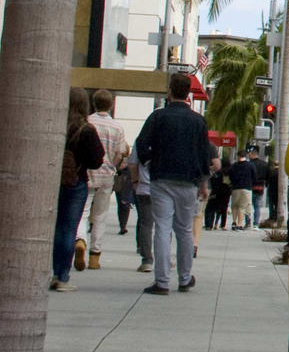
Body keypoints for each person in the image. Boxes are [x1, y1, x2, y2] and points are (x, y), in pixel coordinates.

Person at [135, 69, 213, 295]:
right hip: (188, 180)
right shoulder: (198, 121)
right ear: (188, 92)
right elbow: (203, 154)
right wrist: (203, 182)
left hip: (161, 178)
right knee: (184, 229)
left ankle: (161, 281)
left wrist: (150, 163)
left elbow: (142, 144)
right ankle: (185, 277)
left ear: (169, 91)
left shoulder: (157, 117)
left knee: (162, 227)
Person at [52, 90, 104, 293]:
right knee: (68, 228)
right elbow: (96, 159)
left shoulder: (57, 124)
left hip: (54, 181)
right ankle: (62, 276)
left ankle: (54, 271)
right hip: (76, 180)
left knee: (57, 227)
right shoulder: (85, 129)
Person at [75, 89, 129, 271]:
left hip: (87, 172)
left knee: (83, 211)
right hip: (106, 174)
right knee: (100, 216)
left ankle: (80, 239)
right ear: (111, 104)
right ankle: (94, 256)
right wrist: (113, 166)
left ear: (94, 103)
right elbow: (121, 153)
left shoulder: (87, 121)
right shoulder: (117, 127)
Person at [129, 140, 154, 273]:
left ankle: (147, 260)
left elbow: (132, 163)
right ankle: (165, 257)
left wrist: (135, 180)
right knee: (164, 225)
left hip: (144, 186)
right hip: (163, 187)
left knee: (146, 224)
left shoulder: (141, 140)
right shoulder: (169, 136)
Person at [229, 147, 256, 229]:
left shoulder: (234, 166)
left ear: (238, 156)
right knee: (242, 207)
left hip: (235, 188)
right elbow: (254, 176)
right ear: (246, 155)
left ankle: (234, 222)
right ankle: (239, 224)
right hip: (246, 188)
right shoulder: (250, 165)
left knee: (234, 206)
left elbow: (231, 176)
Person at [206, 154, 233, 231]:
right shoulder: (230, 172)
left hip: (216, 192)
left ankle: (209, 225)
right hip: (226, 192)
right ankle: (223, 225)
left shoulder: (218, 172)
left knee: (211, 208)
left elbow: (213, 181)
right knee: (224, 208)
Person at [248, 146, 269, 227]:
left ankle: (248, 222)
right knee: (257, 206)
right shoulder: (264, 164)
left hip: (250, 186)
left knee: (248, 206)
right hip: (260, 187)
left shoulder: (249, 164)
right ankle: (256, 223)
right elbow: (267, 176)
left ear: (252, 155)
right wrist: (266, 184)